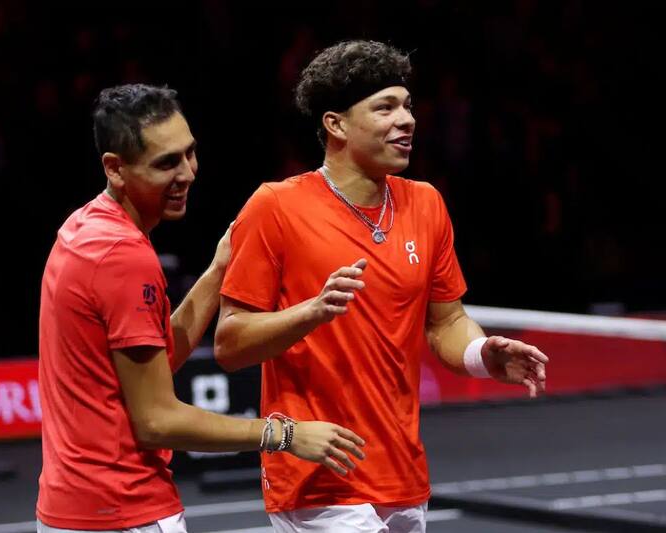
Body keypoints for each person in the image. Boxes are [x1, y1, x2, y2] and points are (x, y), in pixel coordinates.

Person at [214, 40, 549, 533]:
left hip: (403, 470)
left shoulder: (426, 203)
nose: (407, 120)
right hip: (318, 477)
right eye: (385, 107)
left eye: (408, 106)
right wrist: (310, 312)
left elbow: (447, 320)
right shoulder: (275, 207)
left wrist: (481, 354)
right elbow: (230, 343)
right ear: (336, 124)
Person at [36, 84, 366, 533]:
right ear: (115, 168)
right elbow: (156, 420)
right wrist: (284, 435)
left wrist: (216, 272)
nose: (188, 173)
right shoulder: (124, 257)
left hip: (72, 506)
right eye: (166, 163)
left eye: (190, 153)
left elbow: (154, 362)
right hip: (124, 510)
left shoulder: (83, 228)